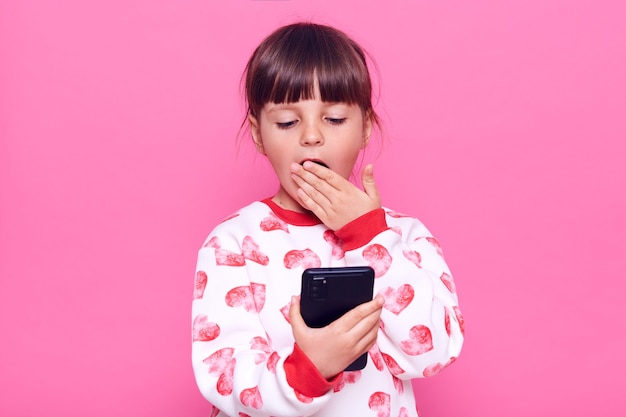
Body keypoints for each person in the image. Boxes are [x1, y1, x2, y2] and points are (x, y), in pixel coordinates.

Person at [191, 22, 464, 417]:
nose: (312, 136)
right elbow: (223, 375)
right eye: (287, 122)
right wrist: (310, 368)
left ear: (366, 126)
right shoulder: (231, 244)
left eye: (334, 119)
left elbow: (434, 353)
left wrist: (369, 236)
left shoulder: (403, 237)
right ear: (258, 134)